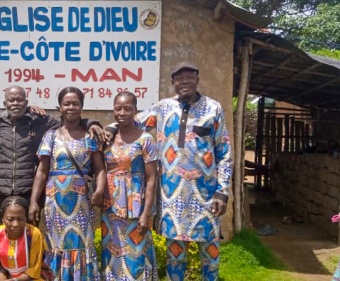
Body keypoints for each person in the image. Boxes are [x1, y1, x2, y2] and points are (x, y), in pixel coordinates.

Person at [107, 61, 233, 280]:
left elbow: (225, 152)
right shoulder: (163, 108)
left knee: (209, 255)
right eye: (180, 78)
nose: (185, 82)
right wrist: (104, 127)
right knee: (175, 255)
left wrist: (222, 191)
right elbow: (129, 120)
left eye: (189, 77)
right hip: (171, 196)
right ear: (173, 82)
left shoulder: (213, 108)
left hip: (206, 196)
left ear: (197, 80)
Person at [0, 85, 105, 224]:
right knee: (3, 237)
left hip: (29, 190)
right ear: (4, 104)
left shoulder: (40, 122)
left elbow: (68, 122)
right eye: (11, 100)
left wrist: (90, 123)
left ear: (26, 103)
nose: (15, 104)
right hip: (3, 191)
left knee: (32, 238)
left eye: (19, 100)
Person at [29, 87, 106, 280]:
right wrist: (33, 201)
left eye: (75, 103)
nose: (71, 107)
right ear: (60, 107)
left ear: (81, 107)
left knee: (82, 242)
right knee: (57, 244)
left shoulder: (90, 136)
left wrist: (99, 189)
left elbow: (99, 168)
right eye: (66, 103)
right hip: (55, 200)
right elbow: (42, 171)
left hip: (81, 200)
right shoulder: (51, 136)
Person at [101, 91, 159, 280]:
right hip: (110, 208)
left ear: (135, 111)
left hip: (136, 207)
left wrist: (146, 213)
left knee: (136, 255)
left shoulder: (145, 140)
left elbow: (151, 179)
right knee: (112, 253)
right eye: (118, 108)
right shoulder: (107, 138)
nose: (122, 113)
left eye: (127, 108)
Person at [0, 196, 49, 281]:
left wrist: (16, 280)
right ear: (3, 219)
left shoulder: (33, 234)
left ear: (26, 218)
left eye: (20, 219)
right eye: (10, 219)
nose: (15, 224)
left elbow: (35, 269)